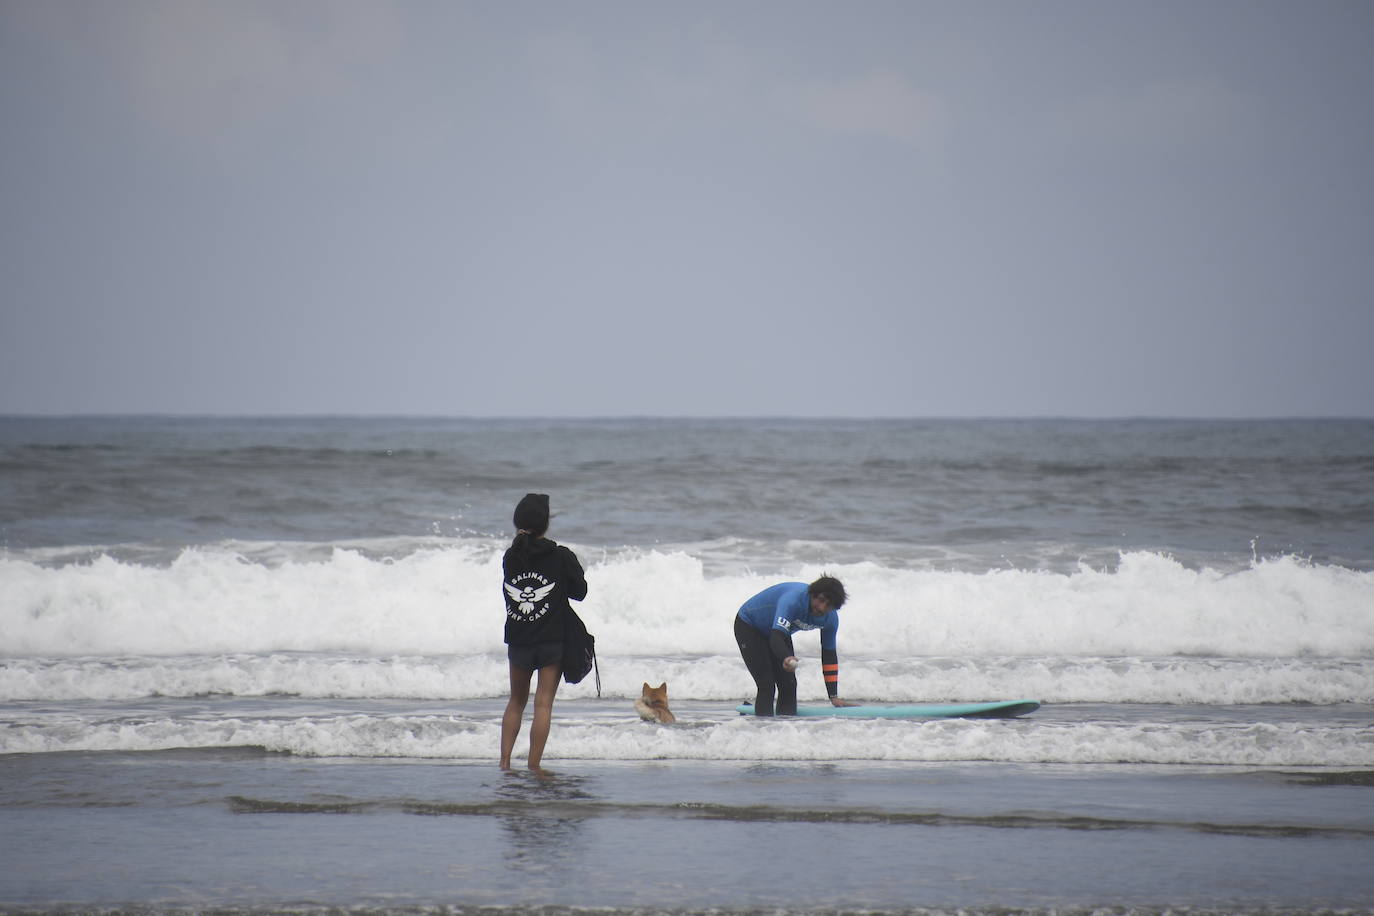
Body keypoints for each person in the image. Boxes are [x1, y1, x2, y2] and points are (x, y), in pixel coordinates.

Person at [499, 493, 588, 772]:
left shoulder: (511, 556)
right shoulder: (560, 556)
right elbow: (580, 592)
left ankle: (504, 764)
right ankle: (534, 766)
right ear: (546, 524)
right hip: (552, 639)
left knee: (516, 701)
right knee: (543, 704)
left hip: (519, 638)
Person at [734, 575, 861, 716]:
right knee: (767, 684)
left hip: (778, 632)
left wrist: (833, 696)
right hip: (749, 625)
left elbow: (829, 655)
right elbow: (776, 637)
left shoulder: (830, 619)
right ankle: (763, 729)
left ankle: (785, 730)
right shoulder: (792, 600)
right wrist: (786, 657)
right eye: (821, 600)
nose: (822, 608)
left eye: (828, 605)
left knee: (789, 684)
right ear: (812, 594)